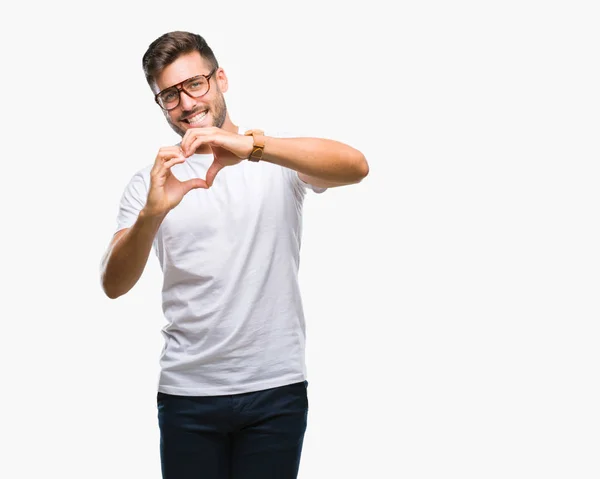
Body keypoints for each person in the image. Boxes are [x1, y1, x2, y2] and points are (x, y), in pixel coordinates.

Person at [100, 30, 369, 479]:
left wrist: (253, 147)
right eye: (169, 95)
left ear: (220, 79)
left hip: (274, 388)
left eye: (195, 84)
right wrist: (152, 213)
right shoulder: (149, 184)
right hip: (188, 393)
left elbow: (356, 167)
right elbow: (113, 285)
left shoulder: (273, 157)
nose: (186, 103)